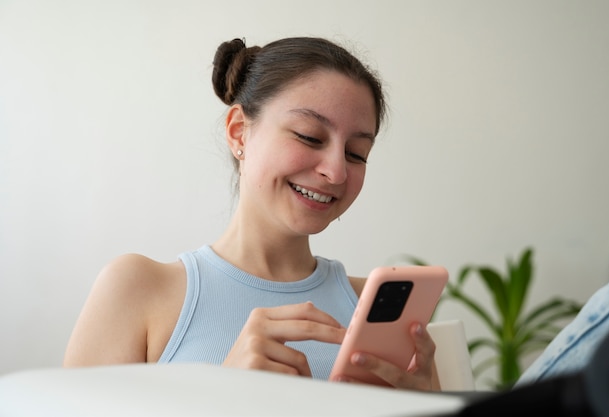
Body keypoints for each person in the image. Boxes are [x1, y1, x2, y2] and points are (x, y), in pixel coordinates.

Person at [63, 37, 439, 391]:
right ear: (240, 132)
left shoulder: (374, 307)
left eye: (357, 153)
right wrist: (222, 396)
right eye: (310, 136)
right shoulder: (138, 290)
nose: (337, 171)